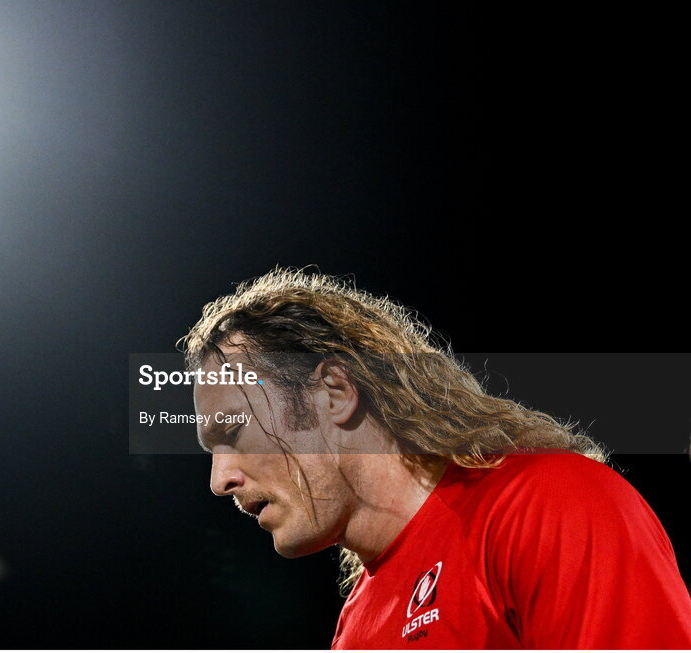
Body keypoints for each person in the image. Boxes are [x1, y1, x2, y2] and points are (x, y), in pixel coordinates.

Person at [179, 268, 691, 649]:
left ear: (333, 392)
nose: (219, 479)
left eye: (234, 431)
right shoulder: (354, 627)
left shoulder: (550, 503)